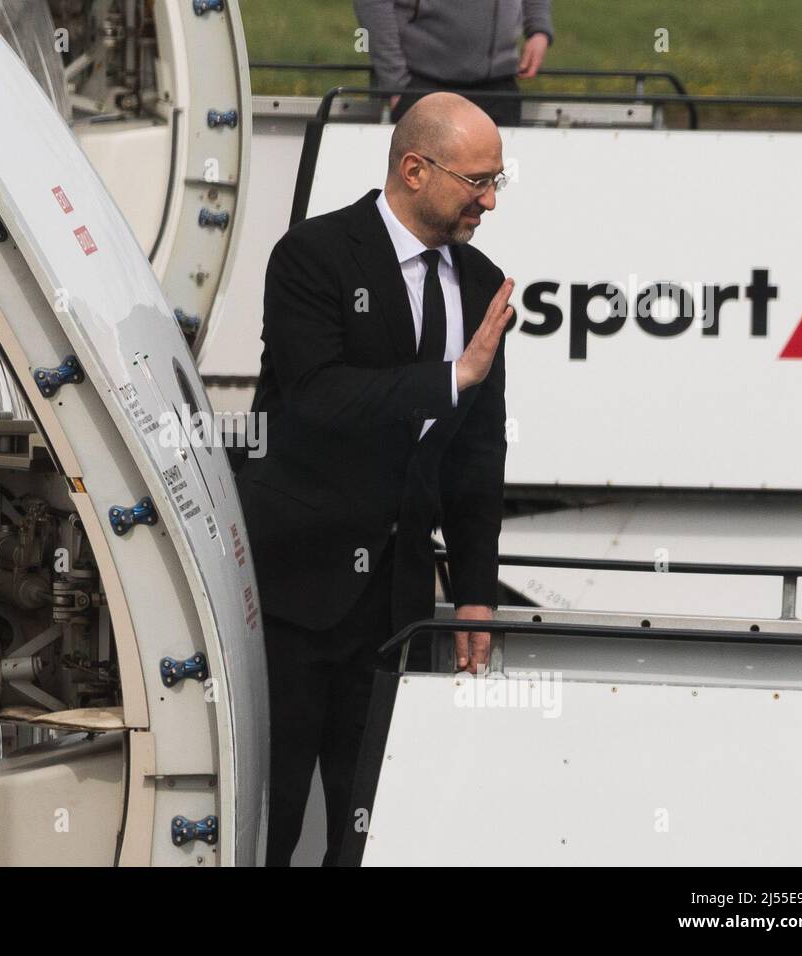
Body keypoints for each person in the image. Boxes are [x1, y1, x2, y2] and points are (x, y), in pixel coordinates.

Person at [235, 93, 513, 866]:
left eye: (499, 182)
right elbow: (317, 397)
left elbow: (475, 460)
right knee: (272, 815)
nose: (489, 201)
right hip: (295, 591)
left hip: (396, 611)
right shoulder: (314, 256)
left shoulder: (484, 283)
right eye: (478, 181)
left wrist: (475, 598)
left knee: (371, 822)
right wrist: (449, 377)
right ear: (415, 169)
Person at [354, 0, 554, 126]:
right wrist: (397, 85)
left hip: (500, 88)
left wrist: (538, 29)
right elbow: (372, 5)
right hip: (422, 86)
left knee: (499, 190)